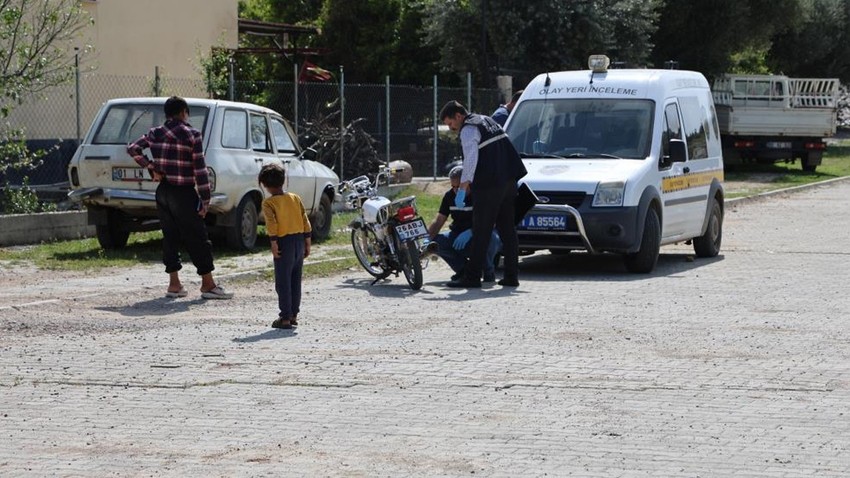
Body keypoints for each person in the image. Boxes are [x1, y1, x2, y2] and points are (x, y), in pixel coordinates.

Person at [127, 96, 233, 300]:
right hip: (183, 192)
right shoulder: (192, 135)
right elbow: (199, 169)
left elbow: (133, 148)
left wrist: (151, 166)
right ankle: (208, 284)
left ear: (167, 113)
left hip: (163, 191)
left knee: (169, 236)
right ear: (184, 112)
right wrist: (205, 198)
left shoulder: (155, 132)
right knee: (198, 237)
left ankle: (174, 284)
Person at [440, 100, 527, 288]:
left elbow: (470, 161)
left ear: (458, 116)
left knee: (481, 230)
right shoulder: (487, 120)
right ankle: (512, 276)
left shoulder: (468, 129)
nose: (451, 128)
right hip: (509, 180)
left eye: (450, 123)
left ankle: (472, 278)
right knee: (507, 229)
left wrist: (462, 189)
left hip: (490, 184)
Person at [258, 163, 312, 329]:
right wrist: (307, 241)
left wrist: (274, 243)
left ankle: (285, 317)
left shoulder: (269, 203)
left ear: (264, 185)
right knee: (295, 279)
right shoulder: (295, 198)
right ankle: (294, 314)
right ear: (284, 180)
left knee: (283, 281)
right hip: (298, 241)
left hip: (283, 243)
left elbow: (272, 224)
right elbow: (305, 219)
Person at [426, 166, 501, 283]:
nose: (456, 190)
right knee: (436, 243)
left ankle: (488, 271)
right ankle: (464, 270)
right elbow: (439, 220)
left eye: (459, 187)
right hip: (457, 234)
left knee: (490, 238)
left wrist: (471, 232)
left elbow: (490, 221)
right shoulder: (449, 196)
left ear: (467, 183)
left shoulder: (479, 195)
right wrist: (426, 240)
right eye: (453, 187)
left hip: (480, 232)